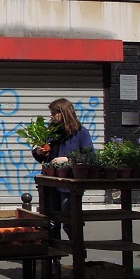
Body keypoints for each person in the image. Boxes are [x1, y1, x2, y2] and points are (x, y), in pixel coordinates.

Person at [31, 98, 94, 238]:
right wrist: (38, 152)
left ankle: (78, 253)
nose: (51, 117)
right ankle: (54, 257)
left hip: (68, 185)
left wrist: (68, 160)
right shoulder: (51, 132)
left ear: (64, 113)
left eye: (54, 113)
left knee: (69, 222)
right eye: (51, 113)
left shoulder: (80, 133)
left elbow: (90, 156)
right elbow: (43, 156)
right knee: (51, 222)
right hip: (50, 183)